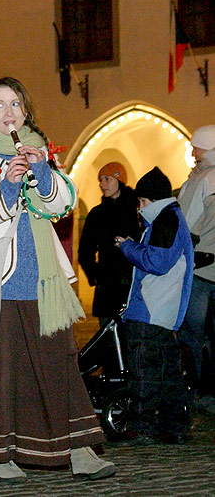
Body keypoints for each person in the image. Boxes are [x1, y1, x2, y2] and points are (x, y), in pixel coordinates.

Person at [0, 76, 114, 483]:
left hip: (42, 280)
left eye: (16, 105)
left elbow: (62, 204)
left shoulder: (38, 151)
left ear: (26, 112)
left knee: (59, 364)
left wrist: (42, 172)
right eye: (0, 105)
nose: (9, 113)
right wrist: (5, 188)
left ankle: (79, 449)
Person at [116, 166, 194, 444]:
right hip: (164, 311)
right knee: (168, 374)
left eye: (140, 202)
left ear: (147, 200)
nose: (138, 208)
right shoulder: (172, 218)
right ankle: (173, 428)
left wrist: (127, 247)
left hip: (150, 309)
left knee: (144, 373)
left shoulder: (165, 220)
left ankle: (143, 427)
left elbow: (156, 262)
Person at [176, 125, 215, 409]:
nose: (192, 153)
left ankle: (198, 389)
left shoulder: (201, 180)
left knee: (192, 334)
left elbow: (186, 227)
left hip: (200, 270)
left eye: (196, 148)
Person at [79, 162, 140, 329]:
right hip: (107, 285)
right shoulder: (97, 213)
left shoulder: (136, 209)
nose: (102, 184)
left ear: (119, 180)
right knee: (108, 338)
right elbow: (85, 250)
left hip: (133, 284)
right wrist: (96, 275)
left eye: (107, 179)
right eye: (100, 180)